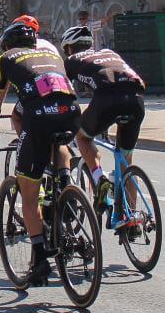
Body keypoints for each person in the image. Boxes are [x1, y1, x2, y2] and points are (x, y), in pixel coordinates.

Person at [0, 21, 79, 287]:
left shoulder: (4, 59)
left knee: (28, 193)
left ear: (7, 45)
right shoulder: (51, 54)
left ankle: (41, 258)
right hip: (71, 113)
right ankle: (66, 183)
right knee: (60, 140)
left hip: (39, 119)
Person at [60, 25, 145, 210]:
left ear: (68, 48)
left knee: (82, 136)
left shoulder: (72, 60)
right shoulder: (109, 52)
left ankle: (100, 180)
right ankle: (131, 218)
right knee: (126, 159)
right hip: (137, 99)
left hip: (108, 99)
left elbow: (60, 92)